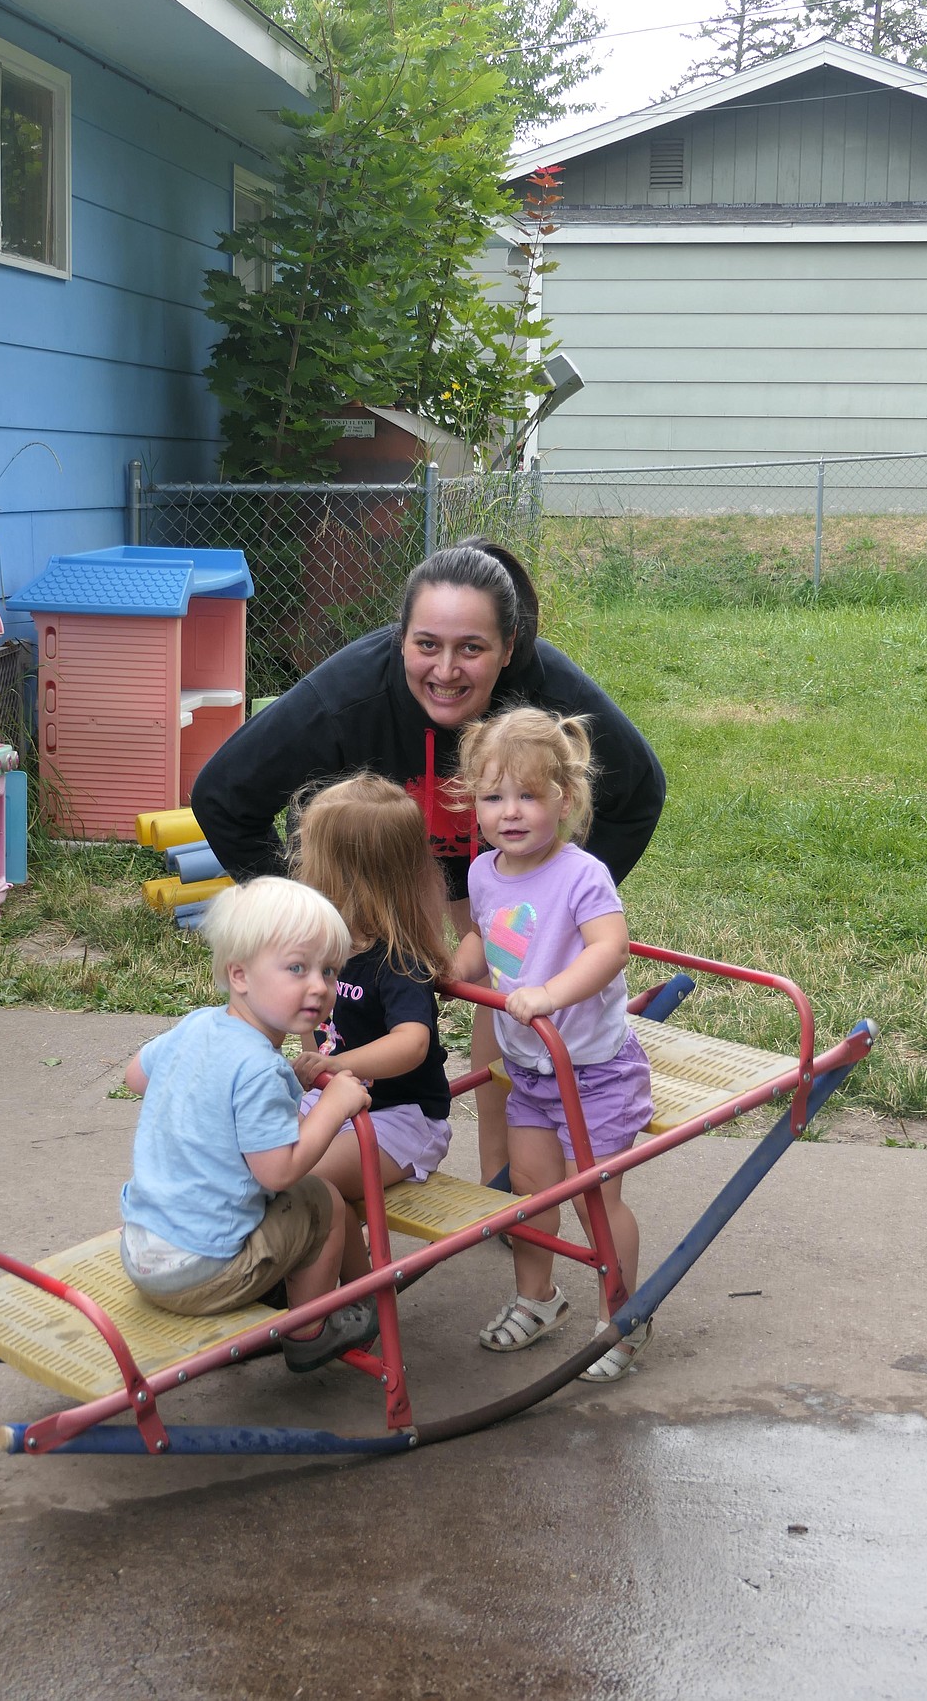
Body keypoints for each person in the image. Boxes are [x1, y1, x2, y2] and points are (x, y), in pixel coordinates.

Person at [191, 537, 665, 1183]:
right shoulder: (349, 694)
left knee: (507, 970)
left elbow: (640, 792)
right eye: (426, 644)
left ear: (510, 646)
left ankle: (509, 1190)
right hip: (386, 865)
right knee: (352, 994)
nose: (446, 670)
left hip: (498, 858)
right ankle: (329, 1144)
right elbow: (222, 797)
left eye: (472, 647)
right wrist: (302, 917)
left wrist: (554, 899)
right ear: (400, 637)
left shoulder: (545, 689)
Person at [453, 706, 655, 1383]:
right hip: (533, 1067)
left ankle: (622, 1314)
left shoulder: (582, 874)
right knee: (533, 1193)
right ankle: (537, 1298)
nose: (510, 812)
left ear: (563, 800)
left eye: (529, 795)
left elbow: (609, 948)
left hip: (595, 1069)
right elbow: (486, 932)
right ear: (474, 802)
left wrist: (551, 993)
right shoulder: (484, 871)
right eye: (493, 796)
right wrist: (459, 968)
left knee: (592, 1196)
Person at [118, 876, 379, 1374]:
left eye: (328, 970)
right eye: (297, 968)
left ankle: (281, 1287)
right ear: (239, 975)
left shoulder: (198, 1025)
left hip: (143, 1253)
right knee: (322, 1200)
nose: (319, 986)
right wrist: (335, 1103)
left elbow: (136, 1076)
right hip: (200, 1273)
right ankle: (309, 1330)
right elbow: (278, 1173)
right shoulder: (260, 1068)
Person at [288, 773, 453, 1277]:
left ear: (351, 874)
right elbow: (311, 1022)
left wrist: (336, 1065)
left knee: (303, 1179)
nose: (302, 869)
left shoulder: (400, 960)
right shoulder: (328, 948)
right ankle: (305, 1271)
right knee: (253, 1159)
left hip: (401, 1119)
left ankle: (355, 1294)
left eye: (313, 859)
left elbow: (411, 1044)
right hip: (334, 1101)